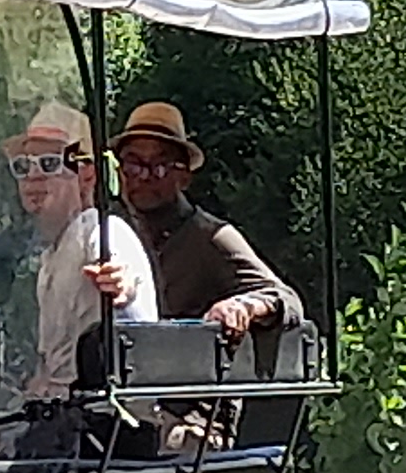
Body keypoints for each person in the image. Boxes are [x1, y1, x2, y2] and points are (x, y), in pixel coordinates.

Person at [88, 102, 304, 334]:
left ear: (185, 176)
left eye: (160, 166)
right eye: (133, 164)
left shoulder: (209, 236)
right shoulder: (106, 231)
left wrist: (242, 307)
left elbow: (286, 298)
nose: (145, 176)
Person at [7, 100, 154, 408]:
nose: (33, 177)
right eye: (23, 166)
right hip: (66, 414)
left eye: (49, 164)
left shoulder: (100, 230)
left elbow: (122, 276)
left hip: (104, 424)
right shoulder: (49, 257)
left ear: (86, 176)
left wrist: (121, 284)